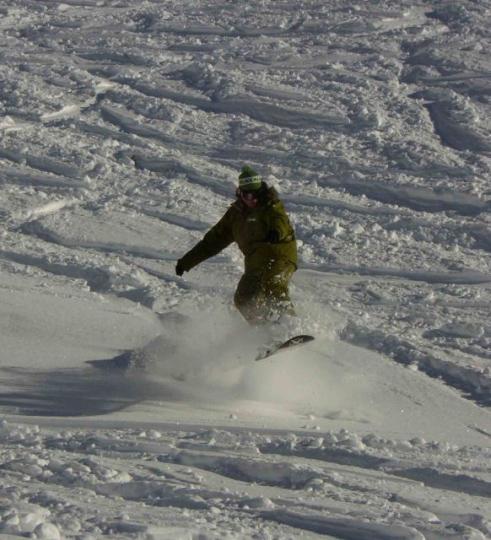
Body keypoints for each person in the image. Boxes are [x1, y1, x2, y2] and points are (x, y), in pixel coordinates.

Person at [176, 165, 297, 325]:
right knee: (243, 298)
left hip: (280, 255)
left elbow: (279, 220)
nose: (253, 199)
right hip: (255, 262)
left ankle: (288, 324)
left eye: (258, 194)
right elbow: (213, 241)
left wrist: (276, 232)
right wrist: (187, 261)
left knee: (273, 283)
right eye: (248, 194)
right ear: (240, 193)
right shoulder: (235, 215)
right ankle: (263, 328)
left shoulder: (271, 206)